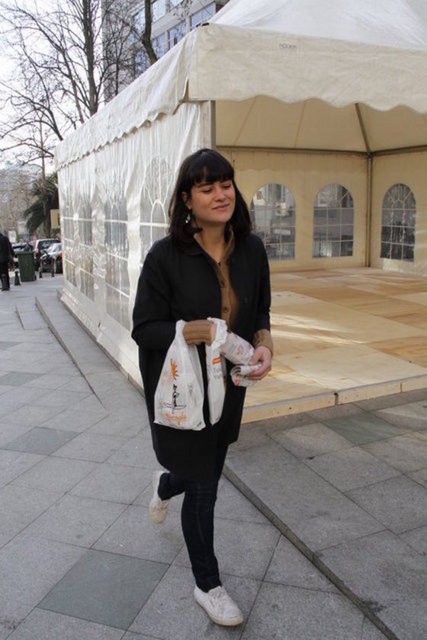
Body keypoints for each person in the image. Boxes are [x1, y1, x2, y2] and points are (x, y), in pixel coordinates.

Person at [132, 148, 273, 627]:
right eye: (207, 187)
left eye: (226, 184)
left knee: (204, 472)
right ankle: (207, 584)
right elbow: (144, 328)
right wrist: (195, 331)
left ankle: (164, 483)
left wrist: (264, 344)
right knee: (205, 489)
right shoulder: (165, 257)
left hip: (229, 389)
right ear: (187, 199)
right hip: (185, 394)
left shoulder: (251, 249)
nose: (220, 194)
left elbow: (261, 310)